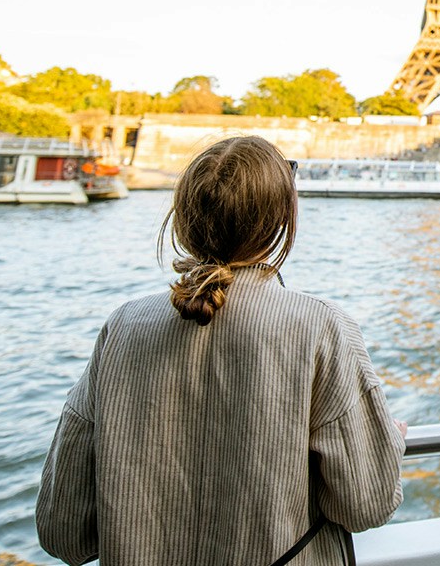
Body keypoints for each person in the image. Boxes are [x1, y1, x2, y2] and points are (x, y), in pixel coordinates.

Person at [36, 136, 405, 566]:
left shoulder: (122, 327)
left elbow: (64, 533)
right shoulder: (321, 327)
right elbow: (367, 505)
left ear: (183, 219)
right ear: (280, 221)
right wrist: (388, 444)